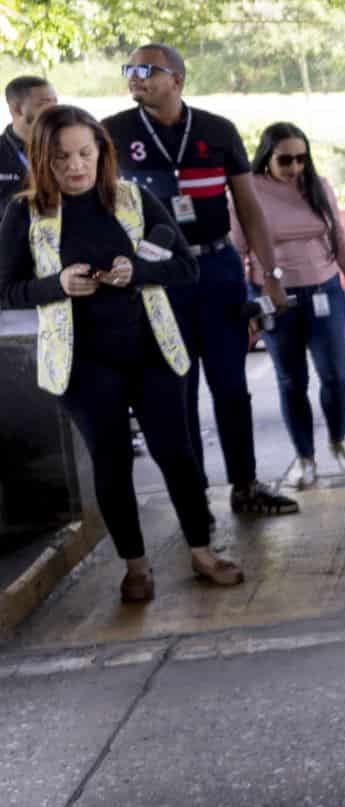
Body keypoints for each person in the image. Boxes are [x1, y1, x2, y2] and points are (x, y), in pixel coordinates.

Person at [0, 106, 244, 602]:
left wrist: (136, 271)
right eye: (62, 157)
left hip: (150, 350)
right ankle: (135, 566)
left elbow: (184, 268)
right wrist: (57, 284)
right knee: (111, 463)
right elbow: (6, 289)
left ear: (101, 152)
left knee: (176, 453)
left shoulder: (134, 198)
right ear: (42, 159)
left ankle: (202, 550)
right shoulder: (24, 214)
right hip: (82, 364)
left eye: (85, 153)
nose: (75, 166)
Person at [104, 44, 299, 517]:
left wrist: (270, 276)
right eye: (129, 69)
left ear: (177, 79)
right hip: (159, 277)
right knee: (177, 388)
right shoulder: (112, 132)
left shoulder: (217, 130)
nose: (135, 77)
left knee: (231, 385)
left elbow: (249, 208)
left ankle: (245, 486)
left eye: (147, 70)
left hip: (217, 271)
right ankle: (192, 497)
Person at [232, 123, 345, 489]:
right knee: (292, 380)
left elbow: (337, 235)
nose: (295, 167)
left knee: (335, 375)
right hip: (275, 297)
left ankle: (338, 440)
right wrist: (247, 307)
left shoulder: (317, 186)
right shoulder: (249, 192)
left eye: (301, 159)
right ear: (266, 158)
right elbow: (238, 251)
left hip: (324, 290)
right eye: (285, 160)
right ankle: (305, 457)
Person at [2, 75, 58, 202]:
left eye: (55, 102)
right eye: (44, 103)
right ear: (17, 109)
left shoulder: (66, 146)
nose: (54, 109)